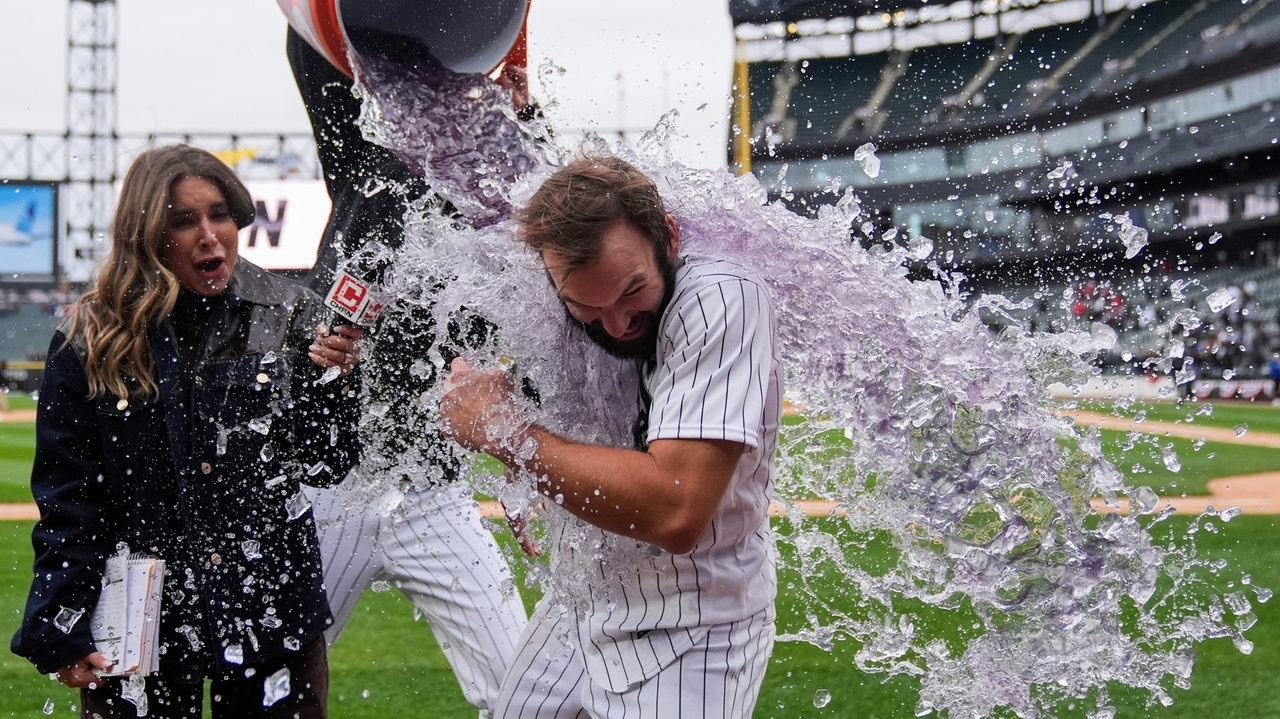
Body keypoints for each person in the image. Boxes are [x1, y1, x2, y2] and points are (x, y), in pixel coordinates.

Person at [10, 145, 364, 718]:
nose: (210, 235)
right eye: (183, 220)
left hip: (270, 606)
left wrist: (338, 385)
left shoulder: (293, 315)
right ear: (145, 234)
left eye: (220, 214)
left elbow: (328, 463)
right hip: (139, 620)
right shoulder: (89, 337)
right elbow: (70, 496)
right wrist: (61, 622)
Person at [440, 156, 783, 719]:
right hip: (579, 600)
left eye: (633, 292)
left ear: (667, 237)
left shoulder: (723, 296)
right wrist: (525, 455)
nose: (617, 324)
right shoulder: (558, 294)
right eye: (584, 306)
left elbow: (676, 508)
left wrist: (506, 435)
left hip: (692, 624)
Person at [285, 28, 528, 717]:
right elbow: (313, 42)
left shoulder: (497, 201)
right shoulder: (362, 159)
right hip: (329, 485)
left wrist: (524, 475)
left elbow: (528, 359)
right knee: (269, 686)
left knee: (523, 692)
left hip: (430, 490)